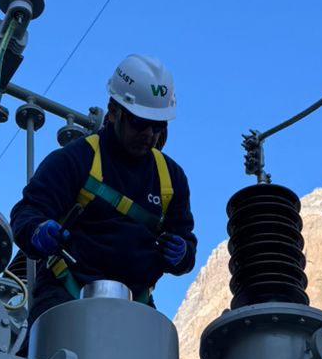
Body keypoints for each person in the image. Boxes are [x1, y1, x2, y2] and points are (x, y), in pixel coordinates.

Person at [10, 53, 197, 327]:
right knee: (54, 353)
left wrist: (183, 254)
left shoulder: (171, 178)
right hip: (66, 294)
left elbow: (185, 239)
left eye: (158, 125)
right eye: (140, 122)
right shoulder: (76, 160)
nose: (149, 134)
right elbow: (28, 211)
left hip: (135, 306)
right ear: (113, 111)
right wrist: (37, 231)